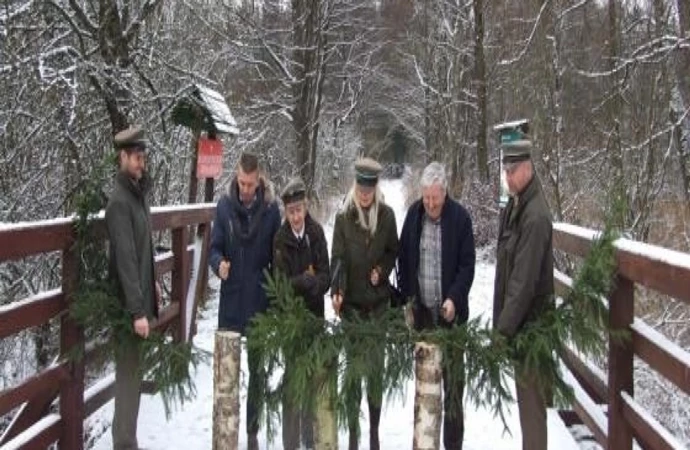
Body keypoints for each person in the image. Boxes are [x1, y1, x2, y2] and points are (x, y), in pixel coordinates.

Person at [397, 161, 475, 450]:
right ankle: (425, 441)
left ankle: (453, 445)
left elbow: (467, 266)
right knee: (426, 392)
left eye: (435, 198)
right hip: (424, 318)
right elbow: (404, 261)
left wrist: (454, 298)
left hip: (452, 319)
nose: (430, 203)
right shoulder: (414, 216)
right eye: (426, 197)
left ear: (445, 192)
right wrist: (410, 300)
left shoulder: (460, 219)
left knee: (454, 390)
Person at [208, 152, 281, 450]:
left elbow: (278, 257)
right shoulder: (224, 207)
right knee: (227, 373)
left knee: (258, 371)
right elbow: (214, 248)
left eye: (251, 184)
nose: (246, 189)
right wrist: (218, 264)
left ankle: (252, 431)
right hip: (231, 302)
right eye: (242, 183)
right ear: (236, 177)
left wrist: (277, 299)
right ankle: (226, 434)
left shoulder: (271, 210)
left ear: (259, 179)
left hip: (260, 302)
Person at [492, 120, 554, 450]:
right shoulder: (516, 206)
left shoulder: (535, 216)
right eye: (505, 169)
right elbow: (505, 269)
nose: (507, 176)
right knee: (526, 409)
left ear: (527, 168)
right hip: (520, 328)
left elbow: (523, 283)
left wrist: (500, 333)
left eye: (512, 170)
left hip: (532, 331)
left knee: (532, 414)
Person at [330, 157, 399, 450]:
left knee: (374, 373)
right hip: (352, 309)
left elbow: (392, 251)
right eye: (361, 187)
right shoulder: (344, 217)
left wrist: (381, 270)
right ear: (355, 184)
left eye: (369, 189)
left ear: (376, 187)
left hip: (378, 308)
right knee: (354, 374)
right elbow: (338, 260)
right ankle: (354, 435)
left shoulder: (387, 215)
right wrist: (337, 289)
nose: (364, 194)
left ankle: (373, 431)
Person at [105, 126, 160, 450]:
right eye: (137, 158)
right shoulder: (119, 203)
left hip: (137, 305)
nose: (142, 164)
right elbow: (125, 262)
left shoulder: (137, 196)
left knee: (133, 379)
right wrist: (138, 311)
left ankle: (129, 442)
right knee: (126, 383)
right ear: (122, 157)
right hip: (128, 312)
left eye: (143, 157)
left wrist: (151, 277)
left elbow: (142, 250)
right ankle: (124, 444)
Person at [273, 177, 331, 450]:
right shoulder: (281, 239)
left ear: (306, 207)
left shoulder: (316, 233)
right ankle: (290, 442)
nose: (296, 216)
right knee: (292, 378)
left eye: (299, 210)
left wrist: (314, 283)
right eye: (291, 211)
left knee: (311, 379)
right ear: (286, 212)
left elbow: (326, 276)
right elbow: (281, 285)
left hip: (314, 318)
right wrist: (303, 280)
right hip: (291, 321)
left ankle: (310, 440)